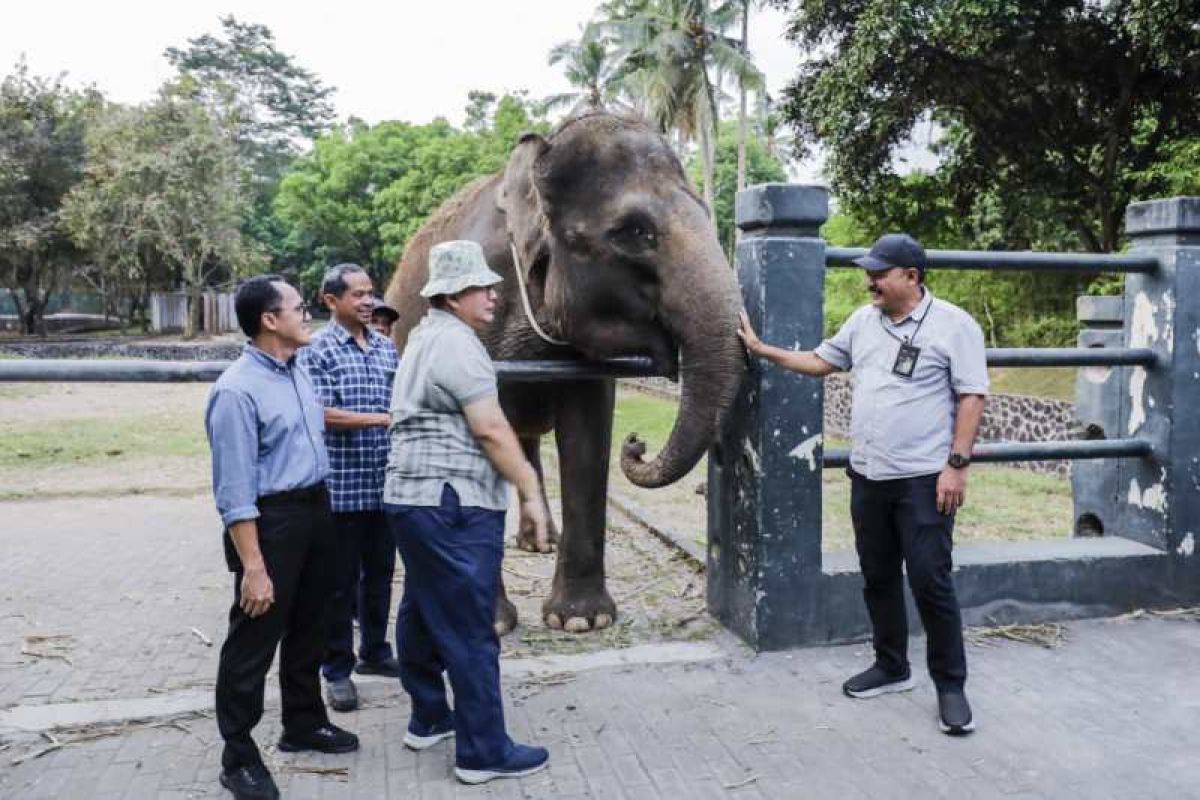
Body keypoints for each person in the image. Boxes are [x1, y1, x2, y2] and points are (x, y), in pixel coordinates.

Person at [738, 233, 988, 736]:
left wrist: (956, 465)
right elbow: (820, 362)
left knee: (931, 582)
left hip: (923, 480)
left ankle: (951, 686)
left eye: (880, 272)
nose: (869, 280)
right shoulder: (863, 322)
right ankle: (892, 665)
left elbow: (971, 395)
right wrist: (762, 349)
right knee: (876, 576)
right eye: (869, 271)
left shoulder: (954, 325)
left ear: (912, 277)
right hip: (869, 475)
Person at [383, 239, 552, 784]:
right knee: (470, 625)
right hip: (452, 500)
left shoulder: (422, 338)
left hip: (412, 499)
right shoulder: (457, 345)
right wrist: (529, 489)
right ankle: (483, 751)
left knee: (421, 607)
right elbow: (490, 427)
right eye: (483, 288)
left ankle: (430, 715)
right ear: (453, 295)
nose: (495, 297)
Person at [206, 275, 358, 800]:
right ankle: (238, 757)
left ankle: (303, 722)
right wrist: (253, 565)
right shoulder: (236, 390)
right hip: (270, 523)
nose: (307, 313)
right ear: (270, 320)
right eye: (297, 307)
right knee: (253, 638)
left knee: (312, 625)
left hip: (316, 508)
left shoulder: (298, 371)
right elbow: (234, 489)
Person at [298, 264, 400, 713]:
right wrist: (381, 420)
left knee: (379, 576)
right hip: (340, 489)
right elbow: (318, 413)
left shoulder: (384, 347)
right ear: (331, 300)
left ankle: (375, 652)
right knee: (338, 586)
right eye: (356, 294)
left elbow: (399, 401)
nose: (367, 302)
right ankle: (335, 671)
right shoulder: (316, 350)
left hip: (384, 485)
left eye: (370, 294)